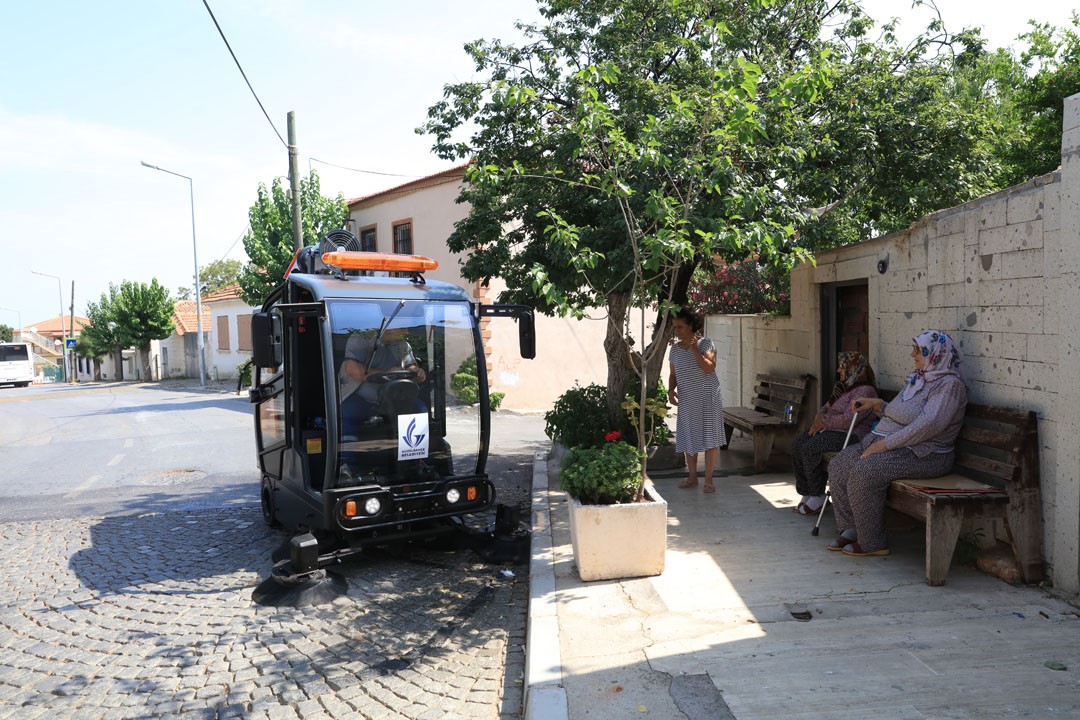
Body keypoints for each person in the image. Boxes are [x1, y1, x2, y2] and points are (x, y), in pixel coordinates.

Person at [827, 330, 967, 556]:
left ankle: (872, 542)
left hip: (924, 454)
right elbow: (900, 413)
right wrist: (877, 405)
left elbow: (928, 425)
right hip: (890, 444)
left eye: (918, 350)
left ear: (935, 353)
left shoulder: (949, 386)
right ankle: (851, 528)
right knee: (839, 465)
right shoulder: (919, 378)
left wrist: (885, 445)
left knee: (865, 471)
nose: (913, 355)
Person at [790, 352, 878, 515]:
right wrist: (818, 417)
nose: (838, 370)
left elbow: (848, 420)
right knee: (798, 444)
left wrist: (824, 422)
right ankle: (806, 491)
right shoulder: (844, 387)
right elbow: (825, 407)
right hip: (831, 430)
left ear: (854, 369)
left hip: (851, 435)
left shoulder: (866, 391)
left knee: (810, 448)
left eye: (842, 367)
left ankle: (817, 495)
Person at [668, 308, 726, 493]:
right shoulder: (674, 349)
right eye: (675, 327)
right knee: (688, 436)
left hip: (708, 397)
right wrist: (671, 390)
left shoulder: (706, 343)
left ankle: (709, 480)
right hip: (687, 398)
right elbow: (673, 374)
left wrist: (694, 348)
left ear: (691, 326)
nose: (677, 331)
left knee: (710, 437)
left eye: (680, 327)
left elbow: (709, 368)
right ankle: (692, 477)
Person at [339, 326, 427, 438]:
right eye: (402, 327)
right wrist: (387, 373)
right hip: (359, 396)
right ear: (388, 327)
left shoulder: (403, 345)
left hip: (394, 397)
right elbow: (352, 370)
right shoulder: (361, 339)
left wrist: (418, 372)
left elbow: (411, 367)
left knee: (420, 408)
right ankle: (347, 446)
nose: (406, 331)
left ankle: (414, 446)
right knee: (347, 412)